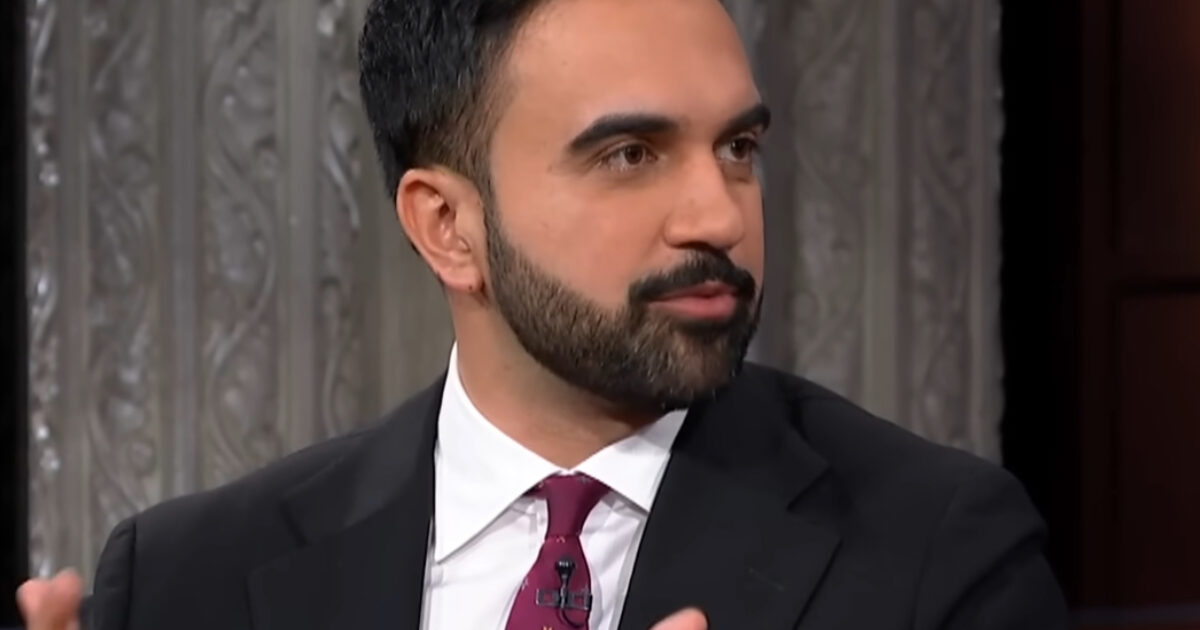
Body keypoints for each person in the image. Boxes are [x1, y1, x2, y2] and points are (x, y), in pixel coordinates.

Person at [16, 0, 1069, 628]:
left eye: (738, 148)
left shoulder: (936, 557)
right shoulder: (187, 582)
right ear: (448, 227)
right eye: (630, 154)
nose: (719, 214)